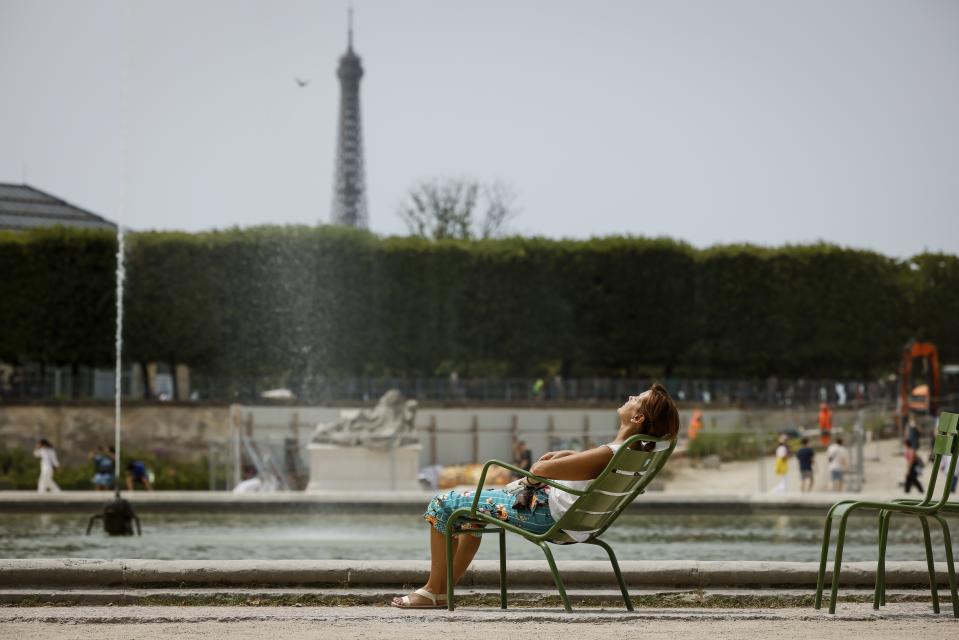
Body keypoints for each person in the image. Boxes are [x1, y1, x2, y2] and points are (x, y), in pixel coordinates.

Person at [390, 383, 680, 608]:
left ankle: (432, 591)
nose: (630, 397)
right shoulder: (625, 455)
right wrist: (569, 457)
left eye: (635, 399)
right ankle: (441, 593)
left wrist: (551, 465)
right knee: (468, 514)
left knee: (442, 504)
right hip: (570, 519)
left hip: (544, 516)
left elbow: (539, 469)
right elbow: (582, 469)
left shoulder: (609, 454)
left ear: (638, 416)